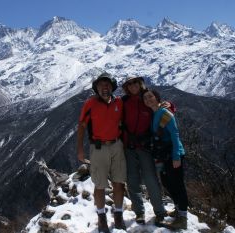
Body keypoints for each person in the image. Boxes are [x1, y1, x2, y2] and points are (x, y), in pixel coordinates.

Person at [77, 72, 126, 233]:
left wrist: (166, 106)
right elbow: (82, 126)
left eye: (107, 85)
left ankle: (118, 214)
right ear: (96, 88)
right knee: (100, 185)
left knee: (119, 182)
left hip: (117, 146)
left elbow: (136, 107)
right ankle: (101, 216)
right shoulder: (90, 103)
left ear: (112, 87)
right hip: (98, 148)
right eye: (101, 85)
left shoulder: (119, 102)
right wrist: (80, 149)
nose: (104, 88)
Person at [121, 77, 166, 226]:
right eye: (130, 84)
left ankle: (159, 212)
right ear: (127, 87)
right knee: (132, 180)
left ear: (140, 84)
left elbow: (163, 109)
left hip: (145, 147)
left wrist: (170, 106)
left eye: (135, 83)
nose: (133, 86)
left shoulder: (147, 98)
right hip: (129, 146)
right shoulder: (124, 101)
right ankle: (139, 212)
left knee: (150, 180)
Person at [142, 89, 189, 230]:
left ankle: (183, 218)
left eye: (150, 96)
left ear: (157, 98)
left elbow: (175, 135)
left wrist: (176, 157)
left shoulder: (165, 113)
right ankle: (178, 208)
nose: (148, 99)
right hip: (164, 155)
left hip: (174, 154)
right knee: (167, 183)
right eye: (145, 98)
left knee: (177, 184)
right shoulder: (155, 113)